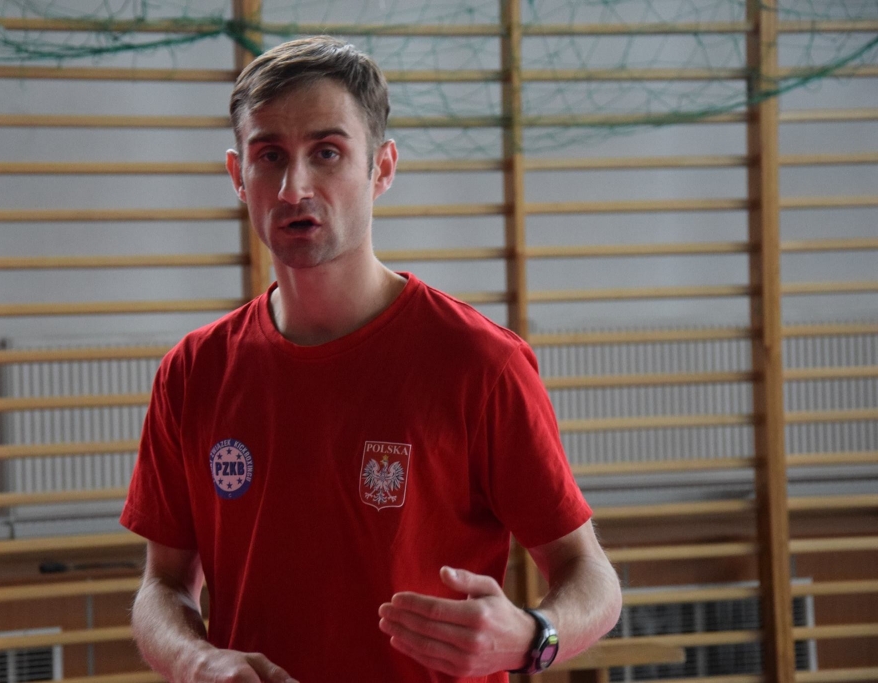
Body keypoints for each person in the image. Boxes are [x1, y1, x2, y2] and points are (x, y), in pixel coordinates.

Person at [121, 36, 622, 683]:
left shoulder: (479, 362)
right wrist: (194, 658)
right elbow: (163, 583)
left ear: (381, 168)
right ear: (238, 176)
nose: (294, 187)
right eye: (269, 156)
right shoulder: (194, 371)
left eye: (327, 152)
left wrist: (533, 635)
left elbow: (591, 576)